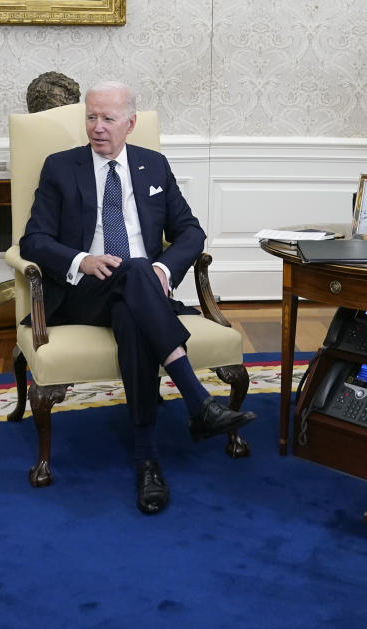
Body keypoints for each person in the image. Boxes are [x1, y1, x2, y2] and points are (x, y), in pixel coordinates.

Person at [18, 81, 256, 515]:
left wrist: (164, 270)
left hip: (142, 291)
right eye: (90, 116)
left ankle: (147, 461)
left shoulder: (154, 166)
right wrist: (81, 259)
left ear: (130, 123)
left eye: (108, 118)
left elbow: (190, 231)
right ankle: (196, 401)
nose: (97, 127)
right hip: (82, 293)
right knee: (135, 273)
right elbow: (33, 240)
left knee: (134, 304)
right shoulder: (60, 167)